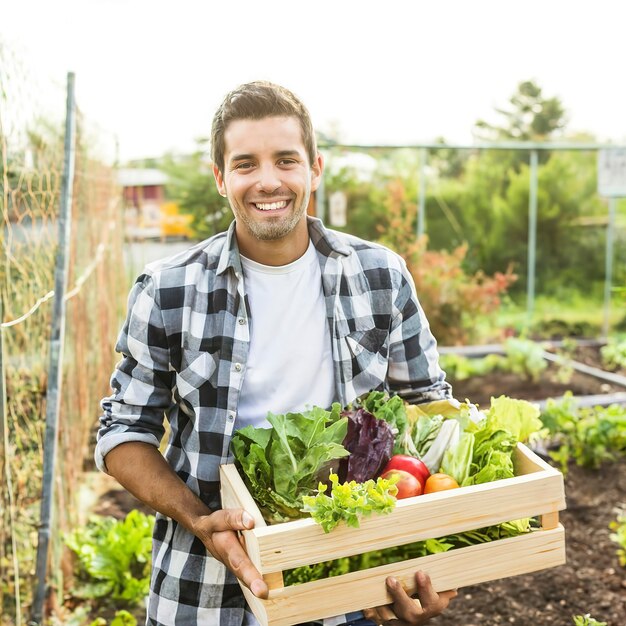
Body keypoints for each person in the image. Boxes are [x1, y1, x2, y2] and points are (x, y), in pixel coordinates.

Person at [95, 81, 457, 626]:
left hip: (352, 587)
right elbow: (123, 433)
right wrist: (201, 520)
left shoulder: (379, 275)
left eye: (286, 160)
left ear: (315, 168)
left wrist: (438, 558)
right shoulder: (167, 289)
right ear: (221, 178)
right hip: (204, 592)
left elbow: (432, 411)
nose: (268, 181)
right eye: (245, 164)